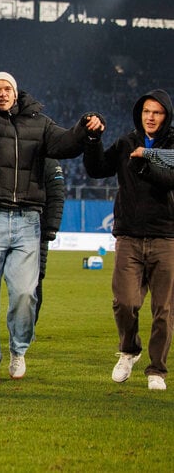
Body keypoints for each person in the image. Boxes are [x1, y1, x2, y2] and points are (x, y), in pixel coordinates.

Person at [0, 70, 104, 385]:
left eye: (6, 88)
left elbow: (66, 144)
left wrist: (83, 127)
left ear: (15, 92)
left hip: (27, 220)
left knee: (25, 293)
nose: (1, 93)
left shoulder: (40, 123)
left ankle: (18, 349)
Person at [84, 89, 174, 392]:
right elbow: (96, 170)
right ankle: (129, 351)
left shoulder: (172, 146)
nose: (151, 117)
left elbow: (168, 180)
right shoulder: (126, 143)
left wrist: (144, 160)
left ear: (166, 116)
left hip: (166, 236)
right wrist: (94, 140)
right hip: (129, 236)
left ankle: (157, 370)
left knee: (164, 310)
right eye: (146, 111)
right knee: (125, 302)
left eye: (157, 112)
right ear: (140, 114)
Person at [35, 159, 65, 325]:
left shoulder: (50, 162)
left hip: (38, 230)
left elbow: (57, 196)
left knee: (34, 281)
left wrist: (51, 227)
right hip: (10, 225)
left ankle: (27, 328)